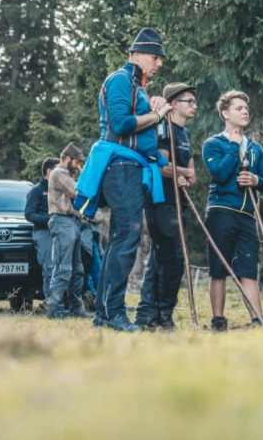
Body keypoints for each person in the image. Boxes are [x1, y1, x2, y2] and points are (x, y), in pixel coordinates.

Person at [89, 28, 173, 332]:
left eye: (161, 57)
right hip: (121, 167)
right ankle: (113, 314)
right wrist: (157, 116)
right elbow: (121, 123)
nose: (159, 62)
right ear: (136, 54)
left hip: (131, 168)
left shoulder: (139, 86)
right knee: (127, 236)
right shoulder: (120, 80)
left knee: (122, 238)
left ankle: (104, 314)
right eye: (155, 56)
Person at [202, 90, 263, 332]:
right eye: (238, 108)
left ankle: (258, 320)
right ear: (225, 113)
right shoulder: (213, 144)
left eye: (246, 108)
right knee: (219, 269)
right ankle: (218, 320)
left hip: (247, 215)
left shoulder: (255, 148)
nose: (245, 112)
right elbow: (220, 175)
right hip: (221, 211)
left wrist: (255, 180)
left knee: (248, 269)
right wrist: (233, 148)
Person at [135, 82, 198, 331]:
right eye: (189, 101)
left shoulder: (185, 134)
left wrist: (185, 174)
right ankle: (161, 313)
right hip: (162, 203)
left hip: (178, 202)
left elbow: (190, 172)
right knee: (171, 260)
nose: (194, 106)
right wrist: (183, 172)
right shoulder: (164, 129)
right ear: (173, 104)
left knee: (161, 259)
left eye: (194, 101)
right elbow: (161, 166)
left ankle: (149, 314)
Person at [46, 143, 89, 320]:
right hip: (62, 222)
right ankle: (53, 309)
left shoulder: (67, 175)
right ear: (67, 158)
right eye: (77, 162)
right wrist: (84, 173)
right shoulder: (59, 173)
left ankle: (76, 309)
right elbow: (77, 192)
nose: (78, 165)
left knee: (77, 270)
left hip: (72, 223)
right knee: (63, 268)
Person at [25, 156, 59, 307]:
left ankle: (58, 301)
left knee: (59, 268)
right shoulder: (36, 191)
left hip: (58, 233)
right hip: (43, 233)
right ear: (49, 171)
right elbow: (29, 214)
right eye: (58, 170)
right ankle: (50, 303)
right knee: (49, 267)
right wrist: (50, 219)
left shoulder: (58, 190)